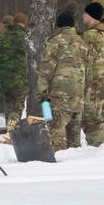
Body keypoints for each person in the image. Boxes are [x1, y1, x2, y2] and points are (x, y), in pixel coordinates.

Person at [36, 12, 88, 152]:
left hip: (60, 95)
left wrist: (40, 93)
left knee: (57, 131)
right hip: (78, 96)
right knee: (74, 136)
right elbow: (87, 71)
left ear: (58, 25)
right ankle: (75, 164)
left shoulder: (55, 42)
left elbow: (46, 71)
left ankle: (60, 165)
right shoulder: (82, 43)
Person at [82, 1, 104, 146]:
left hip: (93, 84)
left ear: (91, 15)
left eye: (85, 13)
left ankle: (98, 148)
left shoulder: (90, 35)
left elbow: (85, 61)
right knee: (103, 115)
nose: (82, 16)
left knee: (92, 120)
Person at [0, 11, 28, 125]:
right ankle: (13, 129)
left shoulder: (3, 36)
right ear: (24, 24)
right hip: (20, 78)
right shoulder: (25, 38)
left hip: (4, 78)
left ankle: (8, 129)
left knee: (8, 105)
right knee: (17, 107)